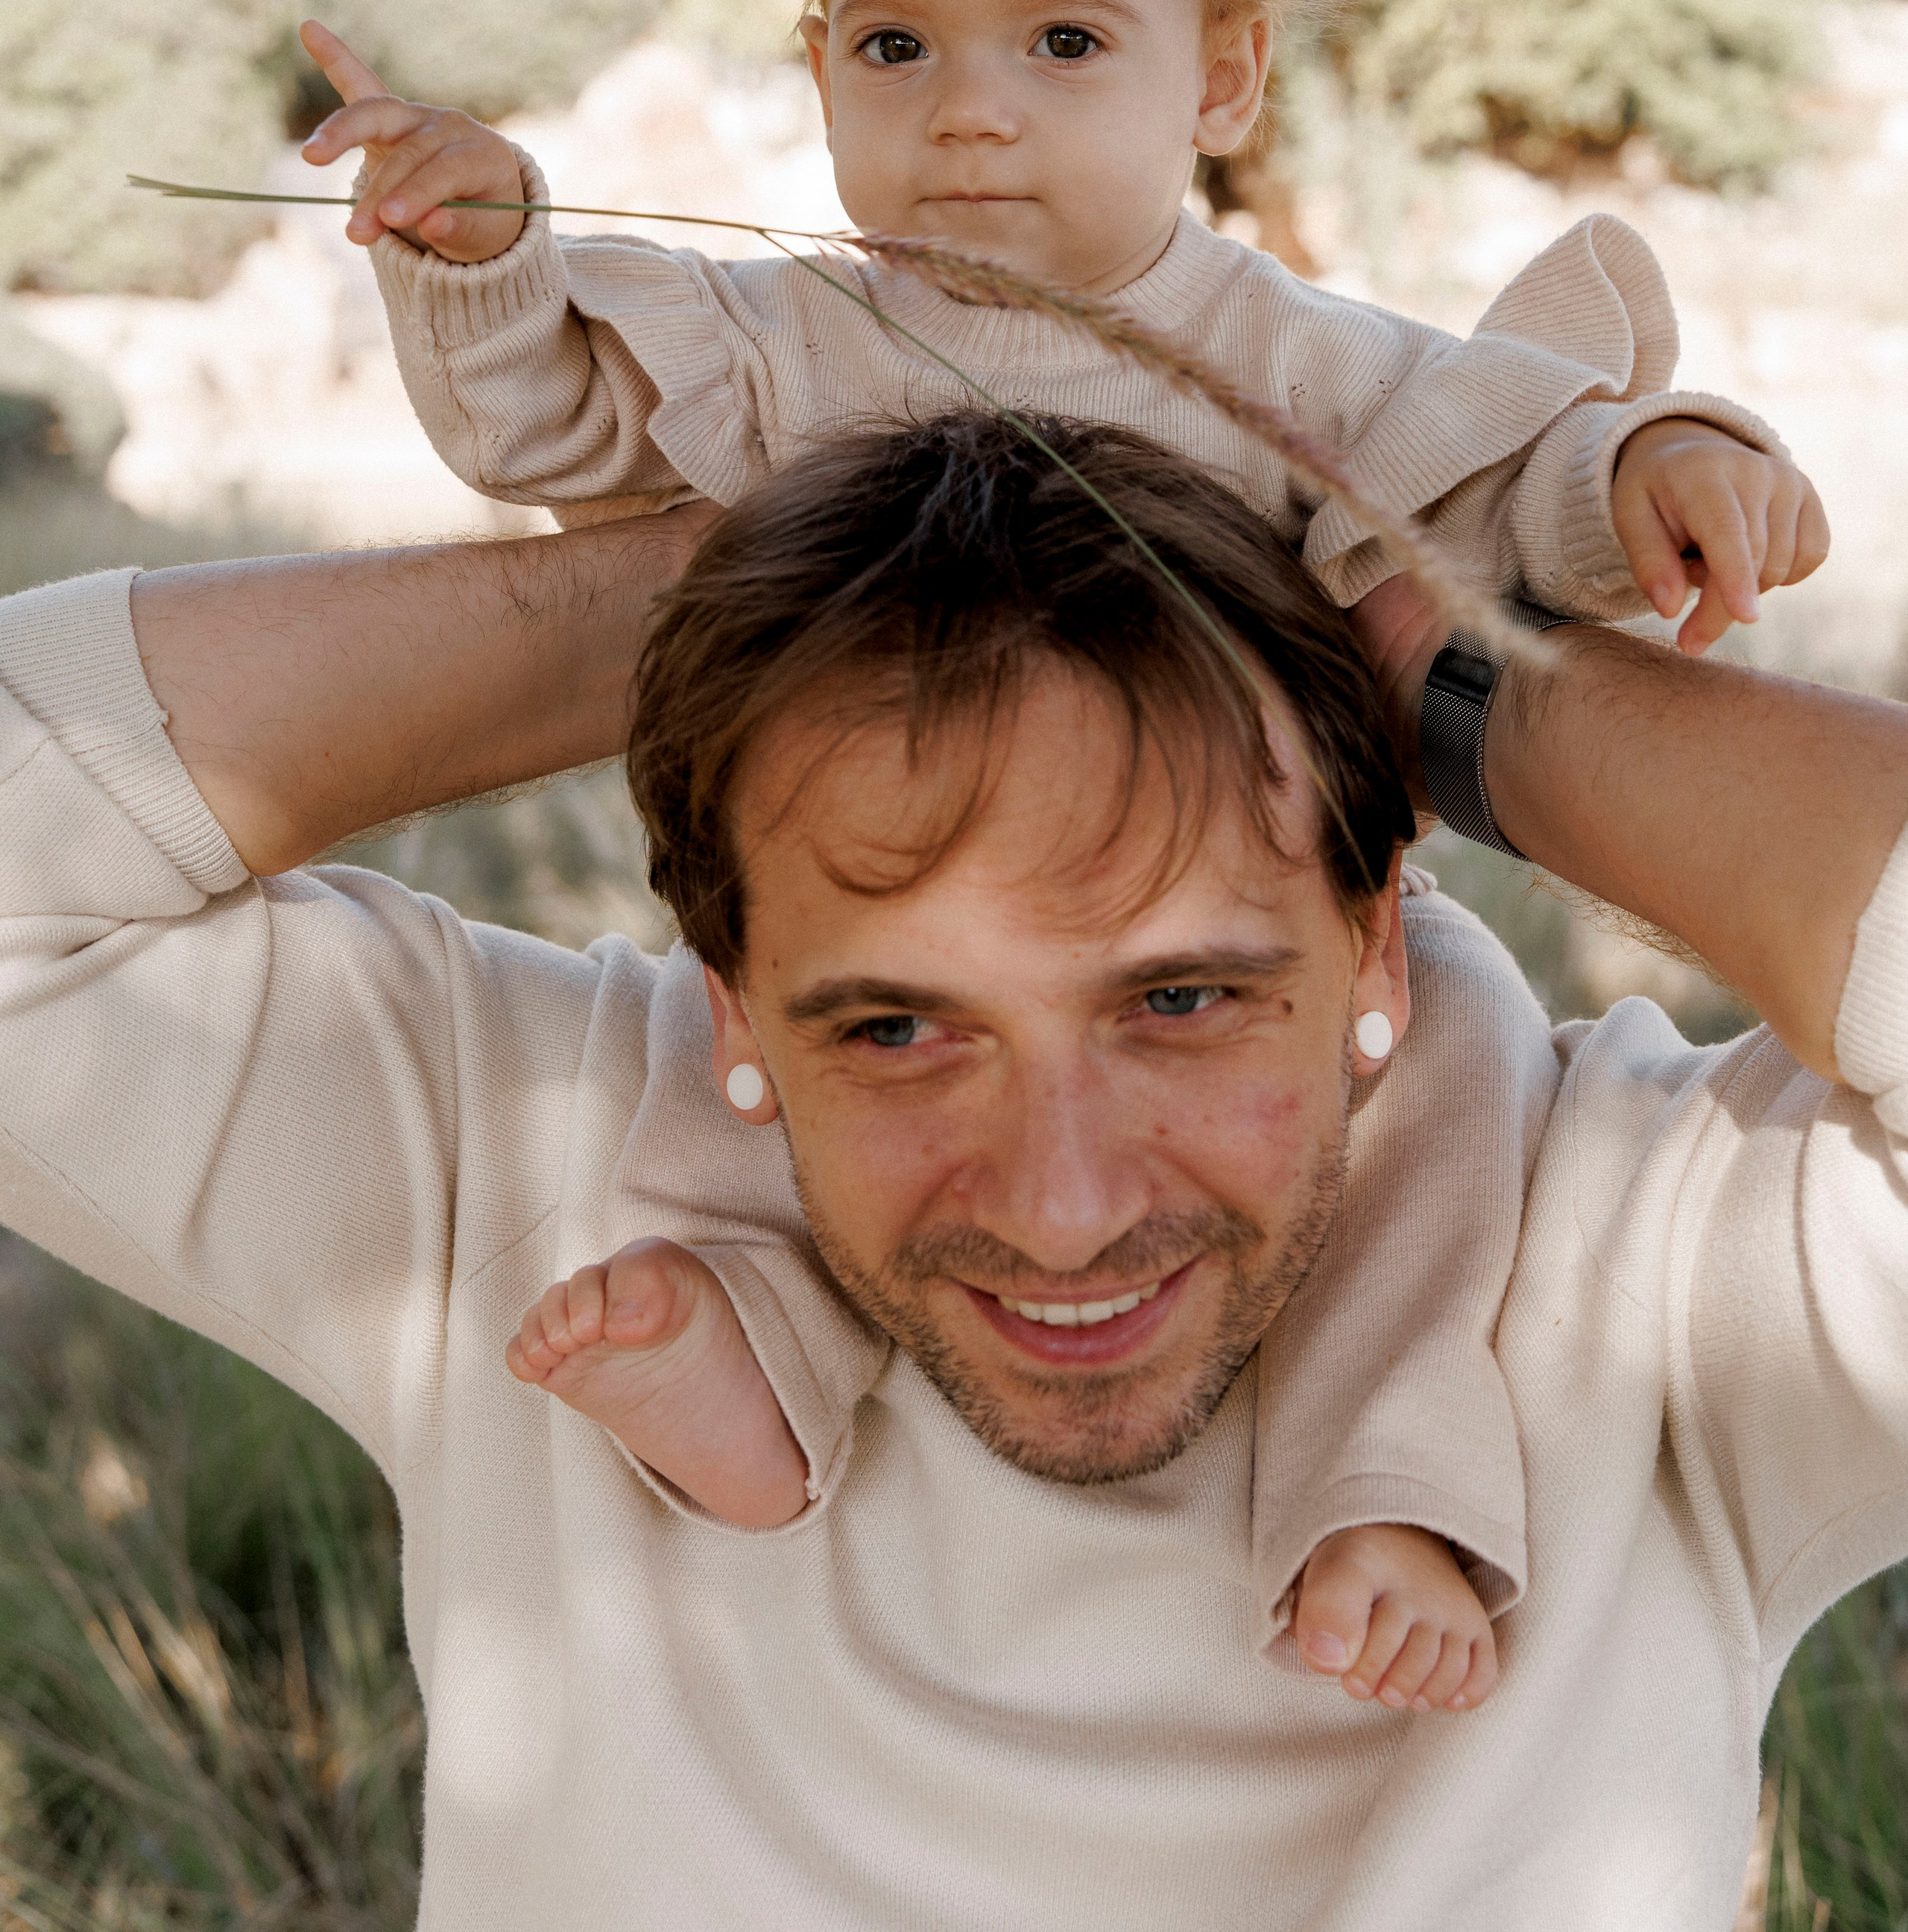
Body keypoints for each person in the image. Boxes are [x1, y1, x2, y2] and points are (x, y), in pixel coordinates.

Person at [292, 0, 1825, 1651]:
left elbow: (1491, 477)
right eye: (896, 47)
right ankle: (739, 1348)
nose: (970, 117)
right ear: (820, 70)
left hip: (1223, 931)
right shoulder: (796, 340)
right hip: (892, 896)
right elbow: (561, 431)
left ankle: (1387, 1474)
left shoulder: (1279, 355)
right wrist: (491, 264)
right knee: (739, 1027)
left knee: (1453, 1069)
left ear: (1223, 76)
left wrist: (1654, 470)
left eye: (1065, 42)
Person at [1, 412, 1903, 1931]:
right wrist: (772, 571)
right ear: (733, 1008)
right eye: (896, 1029)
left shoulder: (1649, 1270)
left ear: (1374, 951)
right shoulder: (542, 1166)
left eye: (1179, 999)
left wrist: (1450, 672)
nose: (1062, 1208)